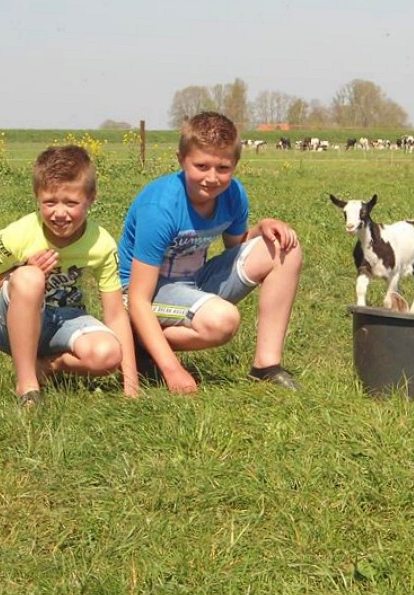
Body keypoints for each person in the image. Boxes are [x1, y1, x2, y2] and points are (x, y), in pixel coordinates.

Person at [118, 111, 302, 394]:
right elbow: (138, 298)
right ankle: (139, 342)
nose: (212, 178)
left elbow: (235, 245)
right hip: (142, 294)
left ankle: (266, 365)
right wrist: (173, 370)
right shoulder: (160, 208)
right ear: (181, 160)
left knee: (284, 247)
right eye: (201, 166)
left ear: (235, 164)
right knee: (222, 321)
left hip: (194, 281)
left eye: (223, 168)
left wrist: (262, 228)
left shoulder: (233, 195)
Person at [0, 145, 138, 405]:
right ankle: (27, 387)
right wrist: (20, 270)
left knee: (107, 354)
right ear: (37, 197)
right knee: (30, 278)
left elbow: (115, 312)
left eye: (71, 203)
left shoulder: (101, 243)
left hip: (65, 317)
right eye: (49, 202)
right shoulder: (18, 234)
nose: (59, 213)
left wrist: (130, 384)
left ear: (92, 198)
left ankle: (46, 367)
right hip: (7, 322)